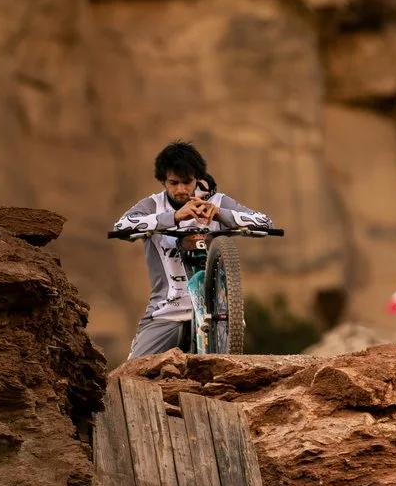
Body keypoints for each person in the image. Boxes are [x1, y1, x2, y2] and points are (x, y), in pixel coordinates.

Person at [114, 140, 275, 358]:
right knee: (130, 374)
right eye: (173, 182)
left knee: (225, 373)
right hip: (166, 312)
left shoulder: (217, 201)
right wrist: (173, 217)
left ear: (197, 178)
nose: (180, 189)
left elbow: (265, 223)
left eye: (187, 182)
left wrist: (220, 214)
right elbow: (121, 227)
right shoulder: (153, 205)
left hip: (218, 312)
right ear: (163, 181)